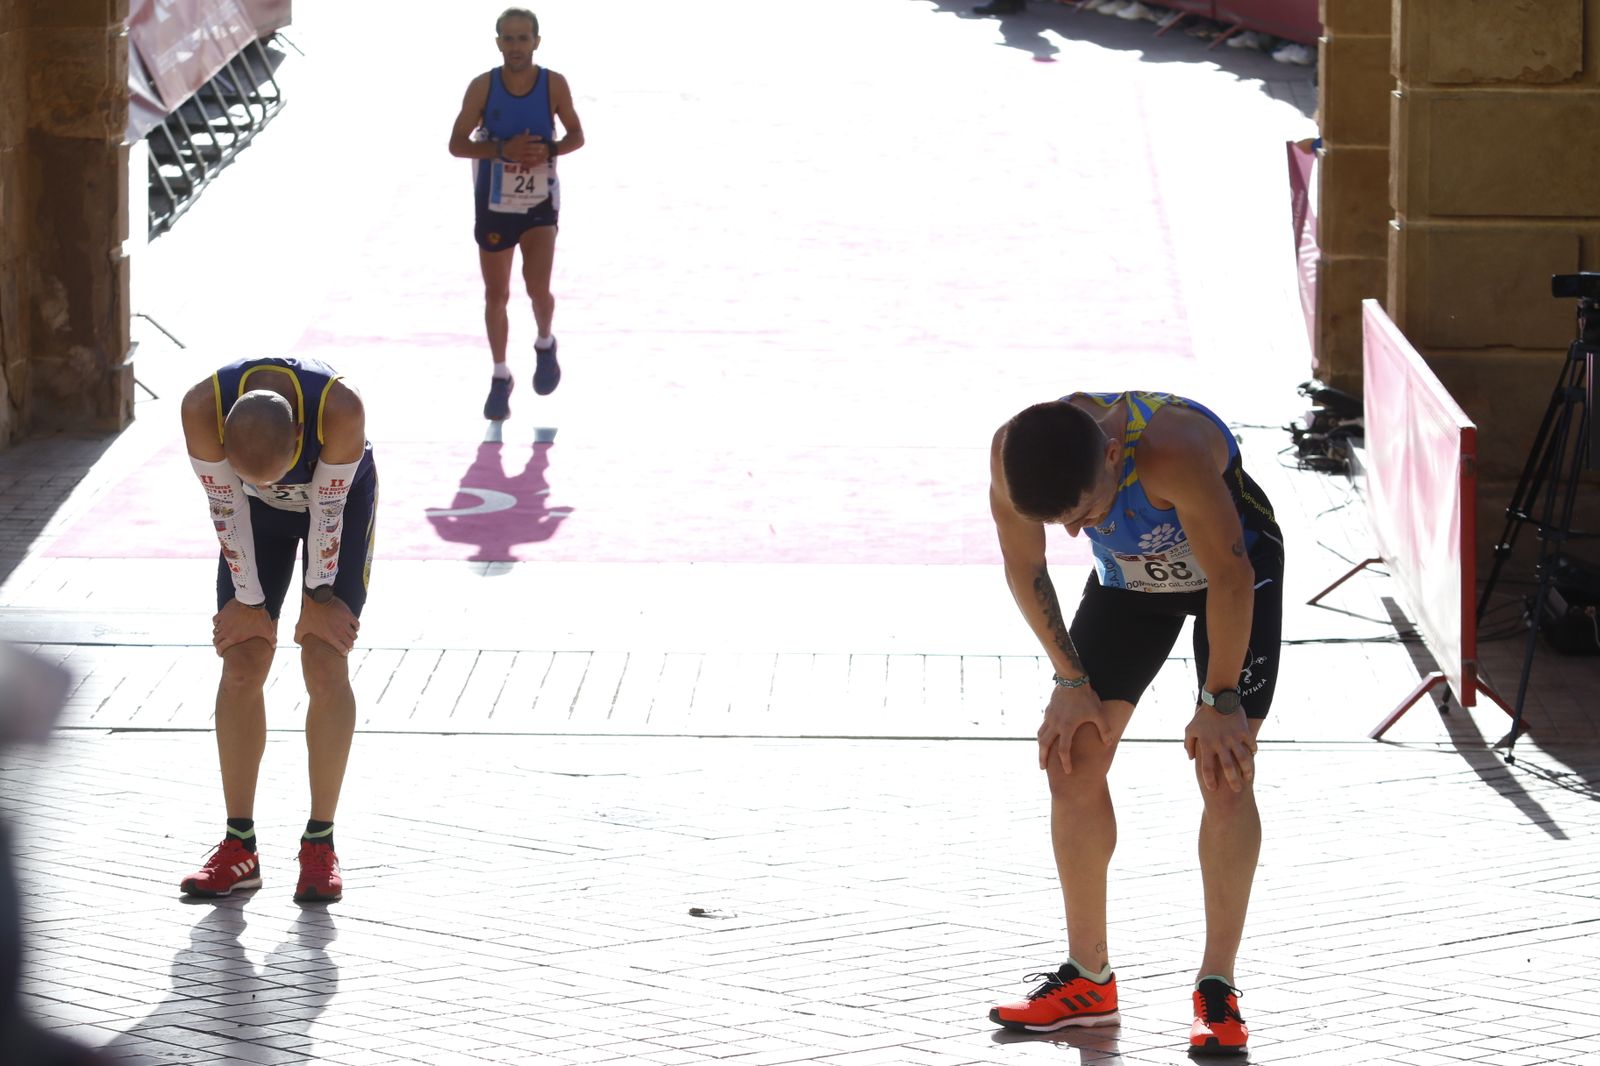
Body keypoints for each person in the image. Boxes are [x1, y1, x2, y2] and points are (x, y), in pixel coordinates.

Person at [985, 391, 1284, 1055]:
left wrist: (1222, 701)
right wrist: (1070, 681)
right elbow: (1025, 565)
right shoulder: (1016, 454)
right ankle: (1089, 980)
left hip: (1233, 578)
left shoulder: (1170, 449)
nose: (1071, 532)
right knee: (1074, 760)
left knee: (1225, 771)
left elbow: (1231, 581)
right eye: (1059, 521)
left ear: (1115, 456)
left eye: (1083, 514)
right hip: (1129, 587)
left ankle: (1218, 990)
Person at [177, 356, 378, 904]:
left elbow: (328, 515)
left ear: (298, 434)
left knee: (323, 657)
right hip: (251, 516)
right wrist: (250, 603)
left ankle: (321, 845)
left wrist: (317, 600)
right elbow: (225, 509)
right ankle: (239, 847)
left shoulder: (340, 408)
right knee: (242, 663)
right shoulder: (201, 407)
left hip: (336, 501)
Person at [448, 7, 586, 421]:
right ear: (498, 43)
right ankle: (500, 375)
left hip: (539, 202)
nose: (515, 47)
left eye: (523, 39)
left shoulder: (553, 85)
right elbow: (456, 144)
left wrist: (548, 150)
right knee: (497, 294)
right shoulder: (482, 88)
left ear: (536, 42)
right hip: (494, 201)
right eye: (508, 39)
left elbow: (577, 135)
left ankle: (545, 343)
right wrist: (502, 151)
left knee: (536, 288)